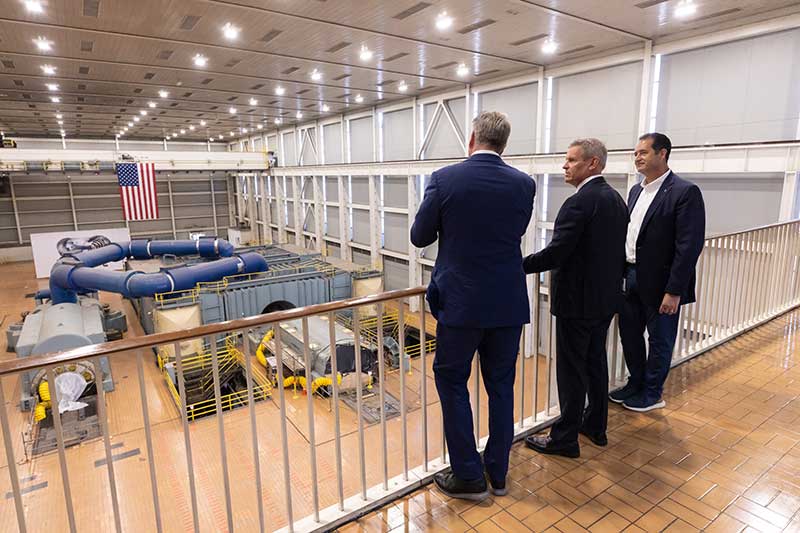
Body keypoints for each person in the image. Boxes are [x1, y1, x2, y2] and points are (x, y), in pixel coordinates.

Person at [410, 111, 535, 501]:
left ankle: (468, 475)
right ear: (504, 144)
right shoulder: (524, 184)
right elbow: (513, 232)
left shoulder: (445, 179)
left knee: (451, 381)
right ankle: (497, 474)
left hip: (461, 305)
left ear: (472, 139)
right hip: (507, 303)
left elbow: (419, 236)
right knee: (501, 387)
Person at [522, 138, 628, 458]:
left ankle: (564, 438)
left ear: (592, 163)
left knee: (570, 370)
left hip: (576, 303)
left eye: (571, 160)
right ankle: (595, 426)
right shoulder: (616, 199)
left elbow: (557, 253)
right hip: (604, 299)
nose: (564, 166)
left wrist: (516, 266)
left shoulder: (579, 202)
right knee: (595, 363)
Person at [610, 132, 705, 412]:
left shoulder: (684, 192)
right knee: (629, 333)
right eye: (636, 153)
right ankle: (635, 382)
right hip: (630, 275)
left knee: (660, 339)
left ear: (662, 154)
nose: (637, 157)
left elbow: (688, 246)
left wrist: (674, 290)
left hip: (662, 282)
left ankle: (652, 392)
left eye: (643, 152)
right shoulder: (636, 191)